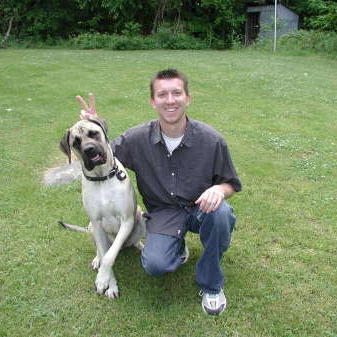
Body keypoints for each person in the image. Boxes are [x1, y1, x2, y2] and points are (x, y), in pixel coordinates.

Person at [77, 69, 241, 315]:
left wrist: (219, 189)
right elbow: (105, 156)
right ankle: (177, 246)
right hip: (164, 213)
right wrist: (95, 125)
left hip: (200, 208)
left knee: (221, 214)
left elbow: (231, 183)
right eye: (162, 94)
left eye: (177, 93)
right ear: (153, 101)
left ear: (188, 98)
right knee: (155, 264)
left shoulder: (212, 140)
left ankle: (211, 285)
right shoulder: (137, 138)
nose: (170, 100)